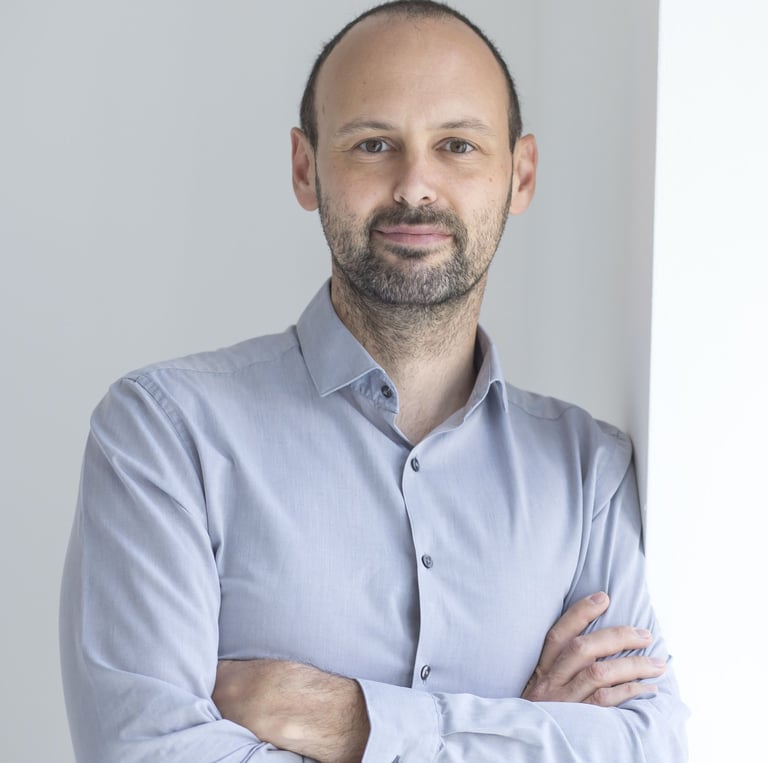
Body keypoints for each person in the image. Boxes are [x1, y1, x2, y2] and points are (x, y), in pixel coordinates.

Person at [59, 2, 688, 761]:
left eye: (457, 144)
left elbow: (648, 746)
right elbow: (150, 753)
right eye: (373, 144)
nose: (415, 185)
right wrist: (518, 727)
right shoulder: (164, 433)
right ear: (306, 167)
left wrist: (355, 722)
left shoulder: (590, 473)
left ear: (520, 175)